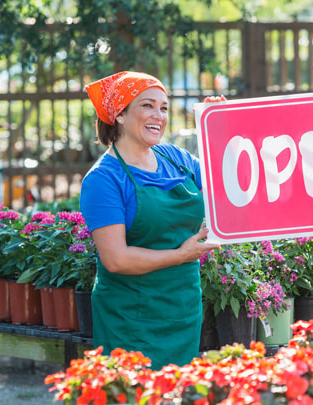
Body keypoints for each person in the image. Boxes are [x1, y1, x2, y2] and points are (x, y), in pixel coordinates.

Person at [79, 71, 221, 369]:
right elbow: (116, 259)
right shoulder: (104, 179)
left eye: (164, 108)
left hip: (182, 308)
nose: (159, 115)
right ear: (119, 115)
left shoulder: (177, 158)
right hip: (131, 316)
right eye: (147, 106)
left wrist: (221, 125)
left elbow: (229, 182)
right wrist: (181, 255)